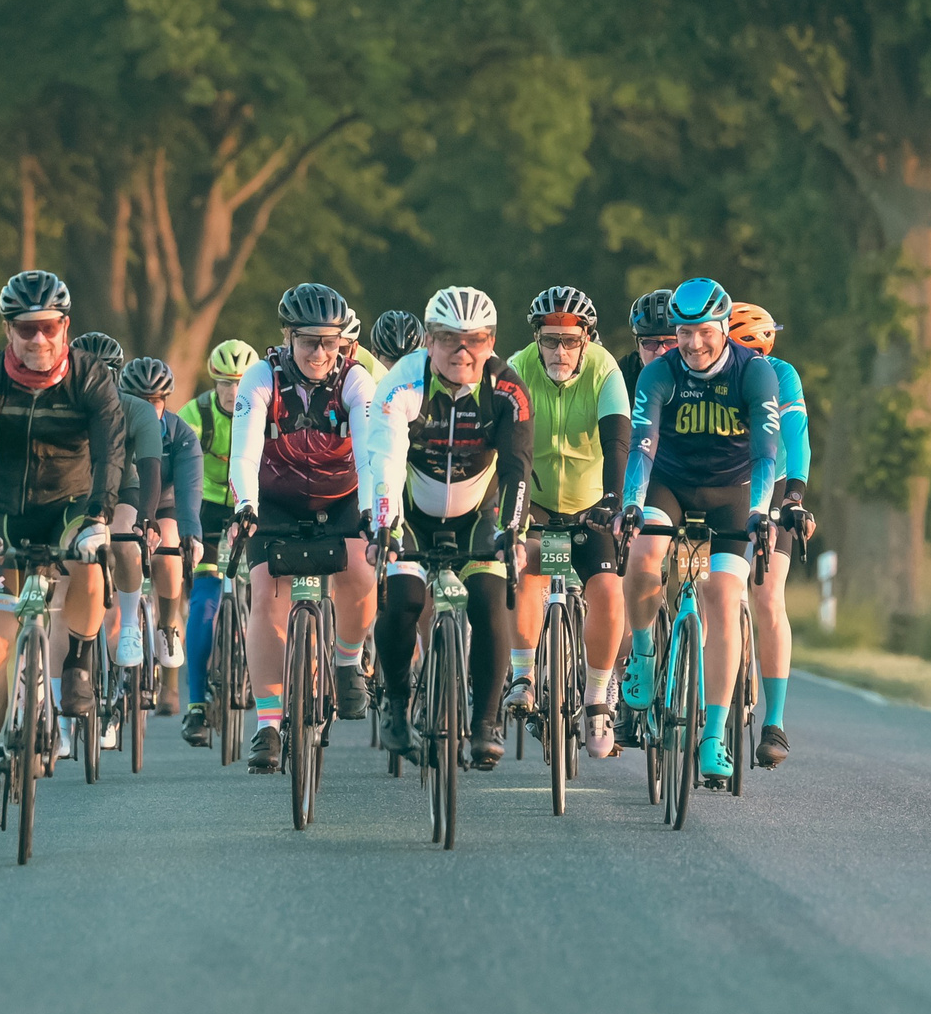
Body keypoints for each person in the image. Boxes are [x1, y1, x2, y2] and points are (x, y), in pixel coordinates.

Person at [0, 271, 127, 826]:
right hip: (4, 513)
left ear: (65, 327)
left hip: (71, 504)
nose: (37, 340)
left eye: (48, 328)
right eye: (25, 330)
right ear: (9, 330)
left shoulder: (91, 379)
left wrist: (98, 518)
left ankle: (76, 660)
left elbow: (108, 457)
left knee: (91, 565)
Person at [617, 277, 780, 786]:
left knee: (723, 596)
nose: (692, 343)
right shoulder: (660, 373)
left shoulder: (753, 373)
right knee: (643, 561)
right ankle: (643, 654)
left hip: (733, 491)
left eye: (704, 332)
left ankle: (712, 737)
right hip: (670, 485)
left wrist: (760, 510)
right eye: (684, 333)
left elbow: (766, 454)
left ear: (723, 329)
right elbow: (641, 446)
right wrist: (628, 504)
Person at [365, 285, 533, 769]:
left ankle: (484, 723)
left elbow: (517, 467)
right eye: (448, 339)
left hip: (478, 513)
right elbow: (387, 459)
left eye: (475, 340)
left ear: (491, 341)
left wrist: (513, 531)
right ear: (428, 340)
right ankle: (396, 705)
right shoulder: (402, 381)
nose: (462, 352)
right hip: (412, 514)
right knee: (403, 601)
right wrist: (385, 527)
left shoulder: (507, 388)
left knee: (488, 597)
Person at [228, 283, 379, 773]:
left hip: (340, 497)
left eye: (329, 342)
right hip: (273, 500)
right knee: (265, 594)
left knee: (360, 568)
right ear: (288, 337)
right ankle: (268, 724)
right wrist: (246, 503)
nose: (319, 352)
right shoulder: (260, 378)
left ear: (343, 344)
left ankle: (348, 659)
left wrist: (376, 510)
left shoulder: (356, 381)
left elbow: (373, 451)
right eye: (309, 340)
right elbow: (245, 451)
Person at [504, 285, 632, 756]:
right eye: (551, 340)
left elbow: (618, 439)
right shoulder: (518, 368)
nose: (559, 350)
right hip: (534, 497)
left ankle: (598, 700)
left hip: (590, 501)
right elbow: (508, 441)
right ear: (537, 339)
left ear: (587, 340)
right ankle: (523, 676)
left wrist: (614, 499)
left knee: (607, 590)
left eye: (570, 341)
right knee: (521, 567)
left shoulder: (603, 368)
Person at [725, 303, 813, 768]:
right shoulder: (713, 376)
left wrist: (795, 495)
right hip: (727, 484)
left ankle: (774, 721)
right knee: (710, 588)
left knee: (768, 597)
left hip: (773, 486)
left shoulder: (783, 375)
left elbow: (796, 436)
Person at [176, 337, 257, 746]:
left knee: (266, 593)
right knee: (204, 600)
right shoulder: (196, 414)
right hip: (206, 506)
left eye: (240, 382)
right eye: (225, 382)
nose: (233, 391)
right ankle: (194, 706)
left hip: (251, 504)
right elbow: (180, 465)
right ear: (214, 381)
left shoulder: (264, 407)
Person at [77, 332, 149, 749]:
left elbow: (145, 466)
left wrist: (148, 523)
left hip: (123, 488)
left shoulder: (125, 409)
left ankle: (120, 677)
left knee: (123, 544)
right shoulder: (66, 402)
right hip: (77, 493)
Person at [123, 356, 201, 718]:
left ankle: (168, 627)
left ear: (165, 401)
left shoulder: (181, 433)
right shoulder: (111, 427)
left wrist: (190, 534)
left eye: (155, 401)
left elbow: (188, 493)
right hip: (124, 502)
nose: (148, 409)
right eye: (140, 400)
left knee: (168, 545)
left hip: (166, 505)